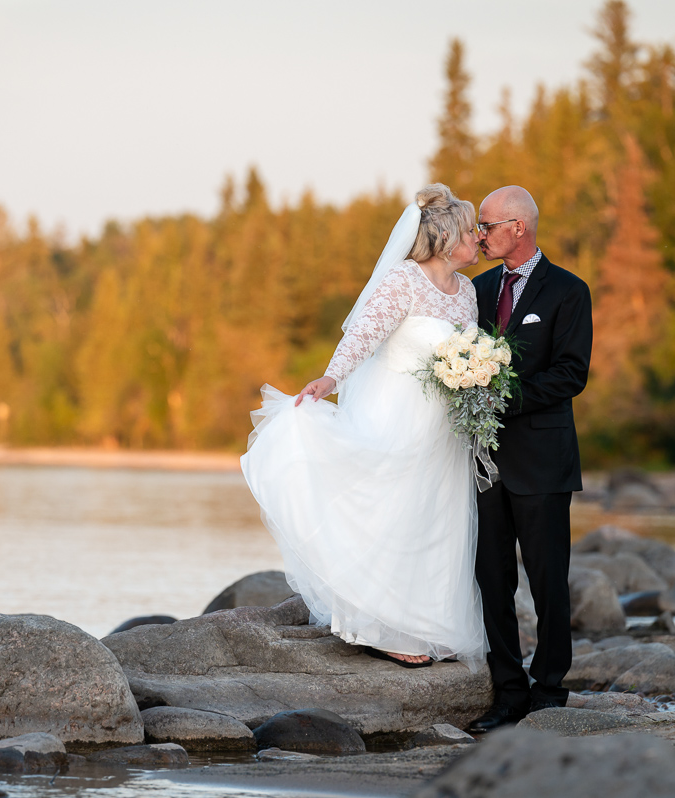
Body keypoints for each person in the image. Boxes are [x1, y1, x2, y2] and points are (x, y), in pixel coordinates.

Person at [240, 184, 488, 671]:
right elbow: (363, 334)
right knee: (390, 512)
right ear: (445, 237)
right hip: (398, 413)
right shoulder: (403, 281)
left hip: (444, 429)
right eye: (470, 229)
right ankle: (377, 626)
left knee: (436, 519)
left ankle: (429, 626)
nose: (478, 237)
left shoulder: (468, 293)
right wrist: (330, 378)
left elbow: (470, 356)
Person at [466, 185, 593, 732]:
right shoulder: (476, 289)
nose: (480, 235)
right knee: (491, 581)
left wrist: (501, 396)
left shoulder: (568, 291)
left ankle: (548, 691)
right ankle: (507, 693)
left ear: (519, 227)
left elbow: (571, 374)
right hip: (483, 463)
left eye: (488, 226)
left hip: (542, 460)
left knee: (547, 581)